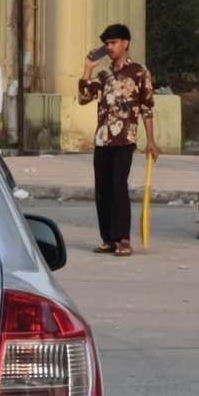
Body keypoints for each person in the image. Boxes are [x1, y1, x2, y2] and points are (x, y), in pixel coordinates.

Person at [79, 23, 160, 257]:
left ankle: (123, 239)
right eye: (107, 44)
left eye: (113, 43)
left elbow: (147, 107)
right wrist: (87, 69)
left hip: (125, 139)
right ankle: (107, 239)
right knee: (102, 189)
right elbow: (84, 98)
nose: (110, 47)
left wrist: (151, 141)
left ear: (125, 43)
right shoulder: (104, 74)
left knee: (118, 186)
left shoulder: (139, 71)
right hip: (102, 139)